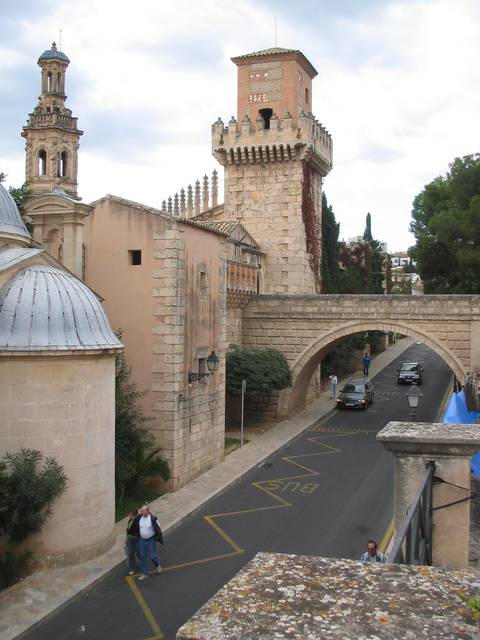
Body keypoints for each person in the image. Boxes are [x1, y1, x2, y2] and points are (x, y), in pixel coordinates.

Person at [137, 504, 164, 580]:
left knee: (153, 556)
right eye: (141, 510)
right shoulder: (139, 518)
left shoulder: (152, 519)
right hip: (142, 540)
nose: (141, 512)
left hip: (150, 540)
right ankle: (144, 574)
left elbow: (158, 529)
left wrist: (160, 539)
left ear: (148, 511)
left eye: (143, 511)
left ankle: (157, 564)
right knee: (142, 556)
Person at [125, 510, 140, 575]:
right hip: (130, 539)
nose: (129, 517)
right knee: (130, 554)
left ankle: (143, 565)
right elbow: (128, 530)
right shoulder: (130, 520)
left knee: (139, 554)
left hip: (136, 539)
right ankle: (132, 568)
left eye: (131, 516)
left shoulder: (138, 522)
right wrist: (126, 539)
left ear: (135, 516)